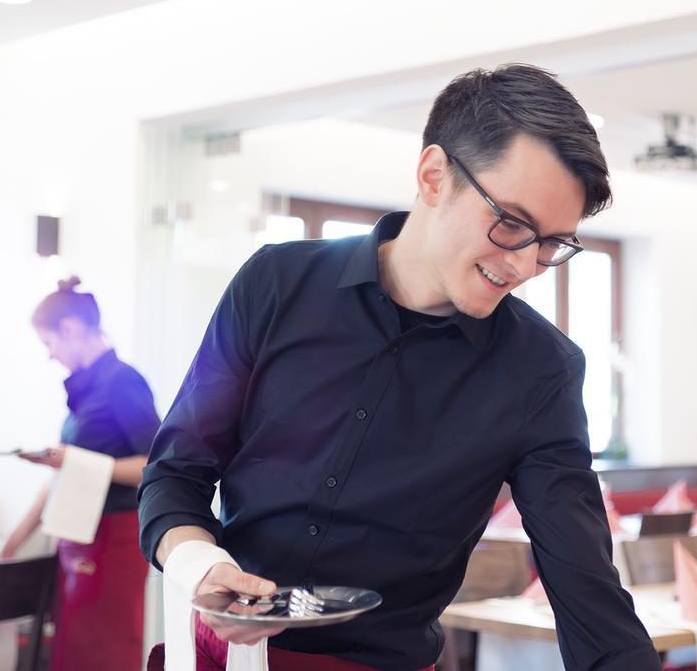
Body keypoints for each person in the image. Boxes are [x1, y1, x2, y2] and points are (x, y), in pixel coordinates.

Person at [139, 65, 660, 670]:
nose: (525, 267)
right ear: (434, 175)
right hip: (224, 660)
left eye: (551, 244)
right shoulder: (275, 282)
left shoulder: (542, 370)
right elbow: (176, 472)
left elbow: (585, 588)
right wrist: (203, 565)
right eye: (512, 224)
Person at [0, 276, 162, 671]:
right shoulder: (85, 392)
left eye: (48, 343)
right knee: (72, 652)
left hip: (114, 540)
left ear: (69, 329)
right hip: (78, 537)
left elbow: (156, 466)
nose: (50, 355)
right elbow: (62, 476)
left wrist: (75, 459)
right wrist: (9, 546)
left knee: (105, 651)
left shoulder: (123, 382)